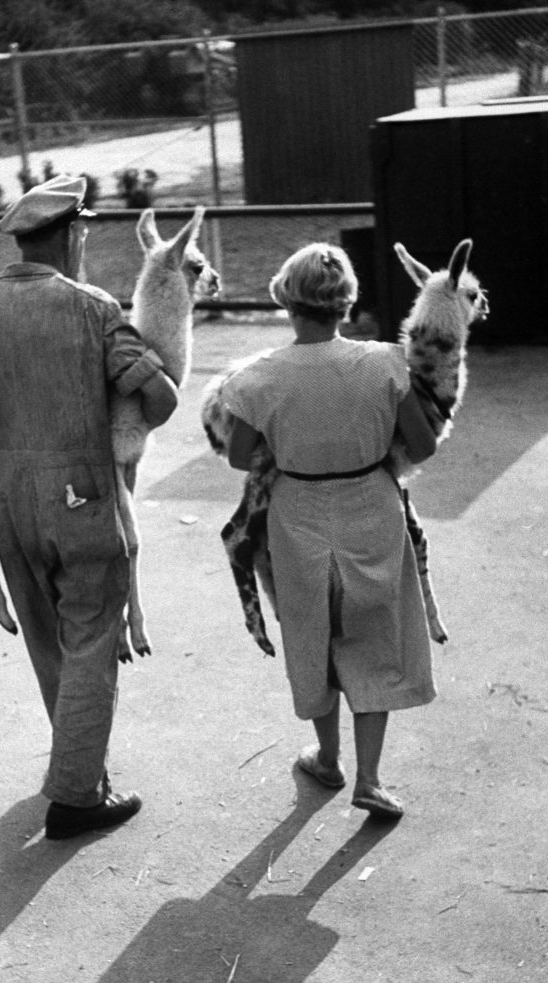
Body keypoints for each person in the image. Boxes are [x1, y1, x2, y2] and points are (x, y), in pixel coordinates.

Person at [0, 175, 178, 840]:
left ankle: (81, 772)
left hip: (8, 502)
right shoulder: (93, 308)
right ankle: (75, 797)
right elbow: (160, 398)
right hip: (85, 502)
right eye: (85, 232)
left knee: (48, 643)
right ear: (72, 235)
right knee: (93, 638)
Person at [221, 243, 438, 819]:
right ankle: (370, 777)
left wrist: (291, 434)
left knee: (312, 632)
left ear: (285, 302)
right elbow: (423, 445)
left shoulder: (258, 378)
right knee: (375, 636)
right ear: (346, 304)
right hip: (372, 507)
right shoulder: (387, 363)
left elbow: (241, 458)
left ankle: (327, 757)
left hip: (300, 516)